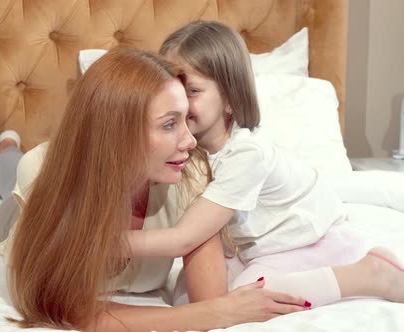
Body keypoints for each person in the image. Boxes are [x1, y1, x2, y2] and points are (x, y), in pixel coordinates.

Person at [0, 47, 310, 331]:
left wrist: (215, 310)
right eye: (169, 124)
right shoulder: (42, 172)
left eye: (186, 119)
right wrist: (215, 313)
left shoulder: (191, 176)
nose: (190, 141)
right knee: (7, 180)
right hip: (12, 215)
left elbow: (208, 301)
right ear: (117, 131)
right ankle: (5, 144)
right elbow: (64, 310)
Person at [125, 20, 404, 308]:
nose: (180, 98)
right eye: (174, 87)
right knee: (185, 298)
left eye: (192, 90)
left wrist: (111, 244)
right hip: (254, 249)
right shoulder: (187, 153)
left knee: (246, 296)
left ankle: (372, 275)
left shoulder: (247, 155)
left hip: (305, 242)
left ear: (231, 98)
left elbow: (184, 238)